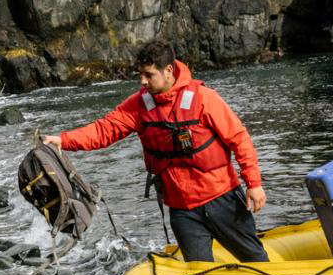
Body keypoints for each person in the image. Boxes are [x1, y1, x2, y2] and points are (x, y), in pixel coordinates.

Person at [44, 40, 268, 263]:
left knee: (254, 258)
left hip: (222, 199)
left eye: (149, 75)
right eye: (140, 74)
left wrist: (254, 184)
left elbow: (240, 140)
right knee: (198, 271)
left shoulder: (204, 99)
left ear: (168, 70)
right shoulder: (139, 105)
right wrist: (63, 140)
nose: (143, 81)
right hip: (182, 209)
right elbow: (104, 130)